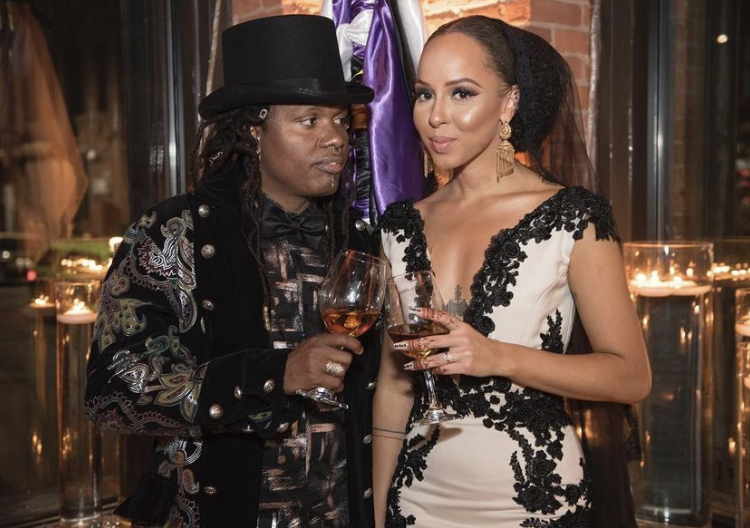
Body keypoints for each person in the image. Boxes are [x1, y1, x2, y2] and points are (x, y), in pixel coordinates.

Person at [84, 15, 382, 528]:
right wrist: (274, 375)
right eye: (310, 121)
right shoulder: (174, 234)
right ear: (253, 130)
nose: (335, 138)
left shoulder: (358, 240)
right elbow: (113, 392)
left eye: (340, 120)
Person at [372, 15, 651, 528]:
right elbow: (395, 385)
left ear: (509, 103)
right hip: (416, 500)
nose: (435, 116)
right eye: (424, 94)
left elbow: (630, 377)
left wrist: (497, 356)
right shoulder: (400, 224)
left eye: (461, 93)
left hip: (531, 502)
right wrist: (377, 513)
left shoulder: (572, 218)